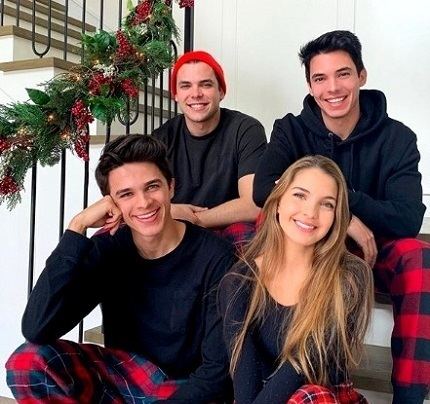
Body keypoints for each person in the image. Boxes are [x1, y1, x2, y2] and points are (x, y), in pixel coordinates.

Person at [253, 30, 430, 403]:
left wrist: (344, 201)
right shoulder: (291, 129)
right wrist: (342, 213)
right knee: (252, 229)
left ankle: (410, 398)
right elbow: (262, 190)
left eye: (343, 74)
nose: (332, 87)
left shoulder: (398, 138)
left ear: (361, 76)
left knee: (420, 258)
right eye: (320, 78)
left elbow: (407, 218)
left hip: (370, 253)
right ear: (310, 84)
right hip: (310, 248)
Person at [6, 135, 235, 403]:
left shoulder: (216, 257)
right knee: (26, 363)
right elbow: (37, 328)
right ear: (111, 203)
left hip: (183, 387)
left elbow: (216, 376)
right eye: (126, 194)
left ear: (171, 187)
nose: (144, 203)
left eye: (152, 187)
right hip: (125, 378)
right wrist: (77, 227)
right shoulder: (108, 249)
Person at [219, 155, 373, 403]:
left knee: (311, 396)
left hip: (324, 396)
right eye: (300, 195)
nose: (310, 212)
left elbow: (304, 366)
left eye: (327, 204)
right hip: (260, 397)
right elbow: (244, 378)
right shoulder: (239, 280)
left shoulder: (350, 276)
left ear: (337, 216)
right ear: (278, 201)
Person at [153, 50, 267, 245]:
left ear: (221, 91)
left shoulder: (246, 129)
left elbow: (254, 204)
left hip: (229, 226)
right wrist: (172, 214)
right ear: (176, 95)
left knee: (255, 239)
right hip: (174, 226)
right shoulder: (161, 138)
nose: (196, 94)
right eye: (186, 86)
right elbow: (144, 198)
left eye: (206, 84)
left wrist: (195, 219)